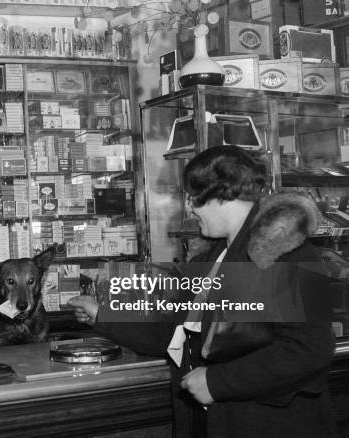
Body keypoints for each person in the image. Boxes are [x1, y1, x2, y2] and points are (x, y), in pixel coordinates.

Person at [69, 145, 338, 438]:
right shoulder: (213, 259)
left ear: (223, 194)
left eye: (194, 197)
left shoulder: (289, 248)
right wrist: (102, 316)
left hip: (272, 424)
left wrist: (218, 382)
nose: (190, 208)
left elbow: (311, 348)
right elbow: (172, 330)